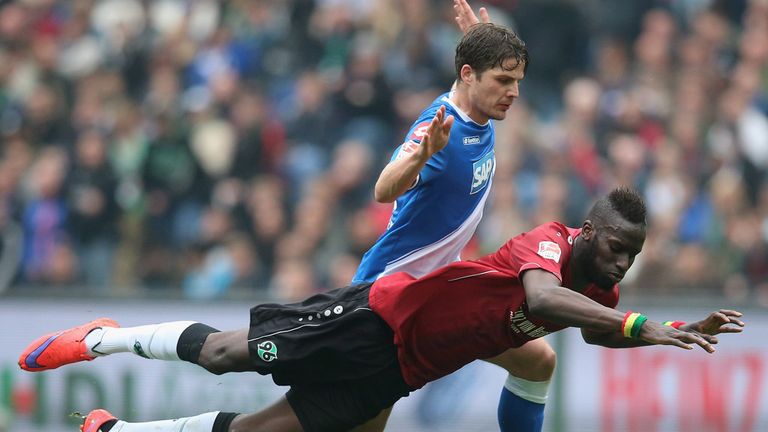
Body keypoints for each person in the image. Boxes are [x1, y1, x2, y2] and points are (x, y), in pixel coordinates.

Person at [19, 187, 745, 432]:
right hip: (378, 318)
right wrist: (645, 324)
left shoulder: (603, 295)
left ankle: (111, 430)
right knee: (223, 355)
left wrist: (665, 336)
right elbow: (539, 299)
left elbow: (599, 336)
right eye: (615, 249)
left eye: (632, 256)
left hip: (394, 374)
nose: (620, 265)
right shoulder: (548, 246)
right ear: (589, 233)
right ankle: (104, 339)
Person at [352, 1, 554, 430]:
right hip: (391, 295)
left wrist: (482, 40)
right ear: (468, 75)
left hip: (439, 288)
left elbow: (481, 71)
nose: (514, 92)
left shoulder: (480, 106)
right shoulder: (438, 128)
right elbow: (383, 188)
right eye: (503, 80)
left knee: (537, 360)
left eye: (517, 80)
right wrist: (422, 155)